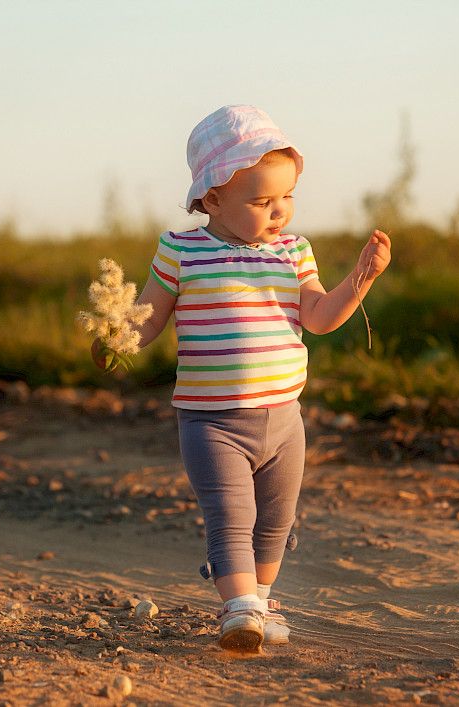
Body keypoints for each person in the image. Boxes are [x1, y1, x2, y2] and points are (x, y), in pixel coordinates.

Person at [90, 105, 391, 651]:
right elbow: (150, 317)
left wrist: (361, 279)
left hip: (284, 420)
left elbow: (319, 318)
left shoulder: (293, 252)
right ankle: (239, 607)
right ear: (212, 199)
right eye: (260, 201)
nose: (279, 212)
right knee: (232, 514)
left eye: (286, 198)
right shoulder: (181, 251)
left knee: (274, 521)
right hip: (212, 420)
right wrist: (118, 339)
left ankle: (262, 599)